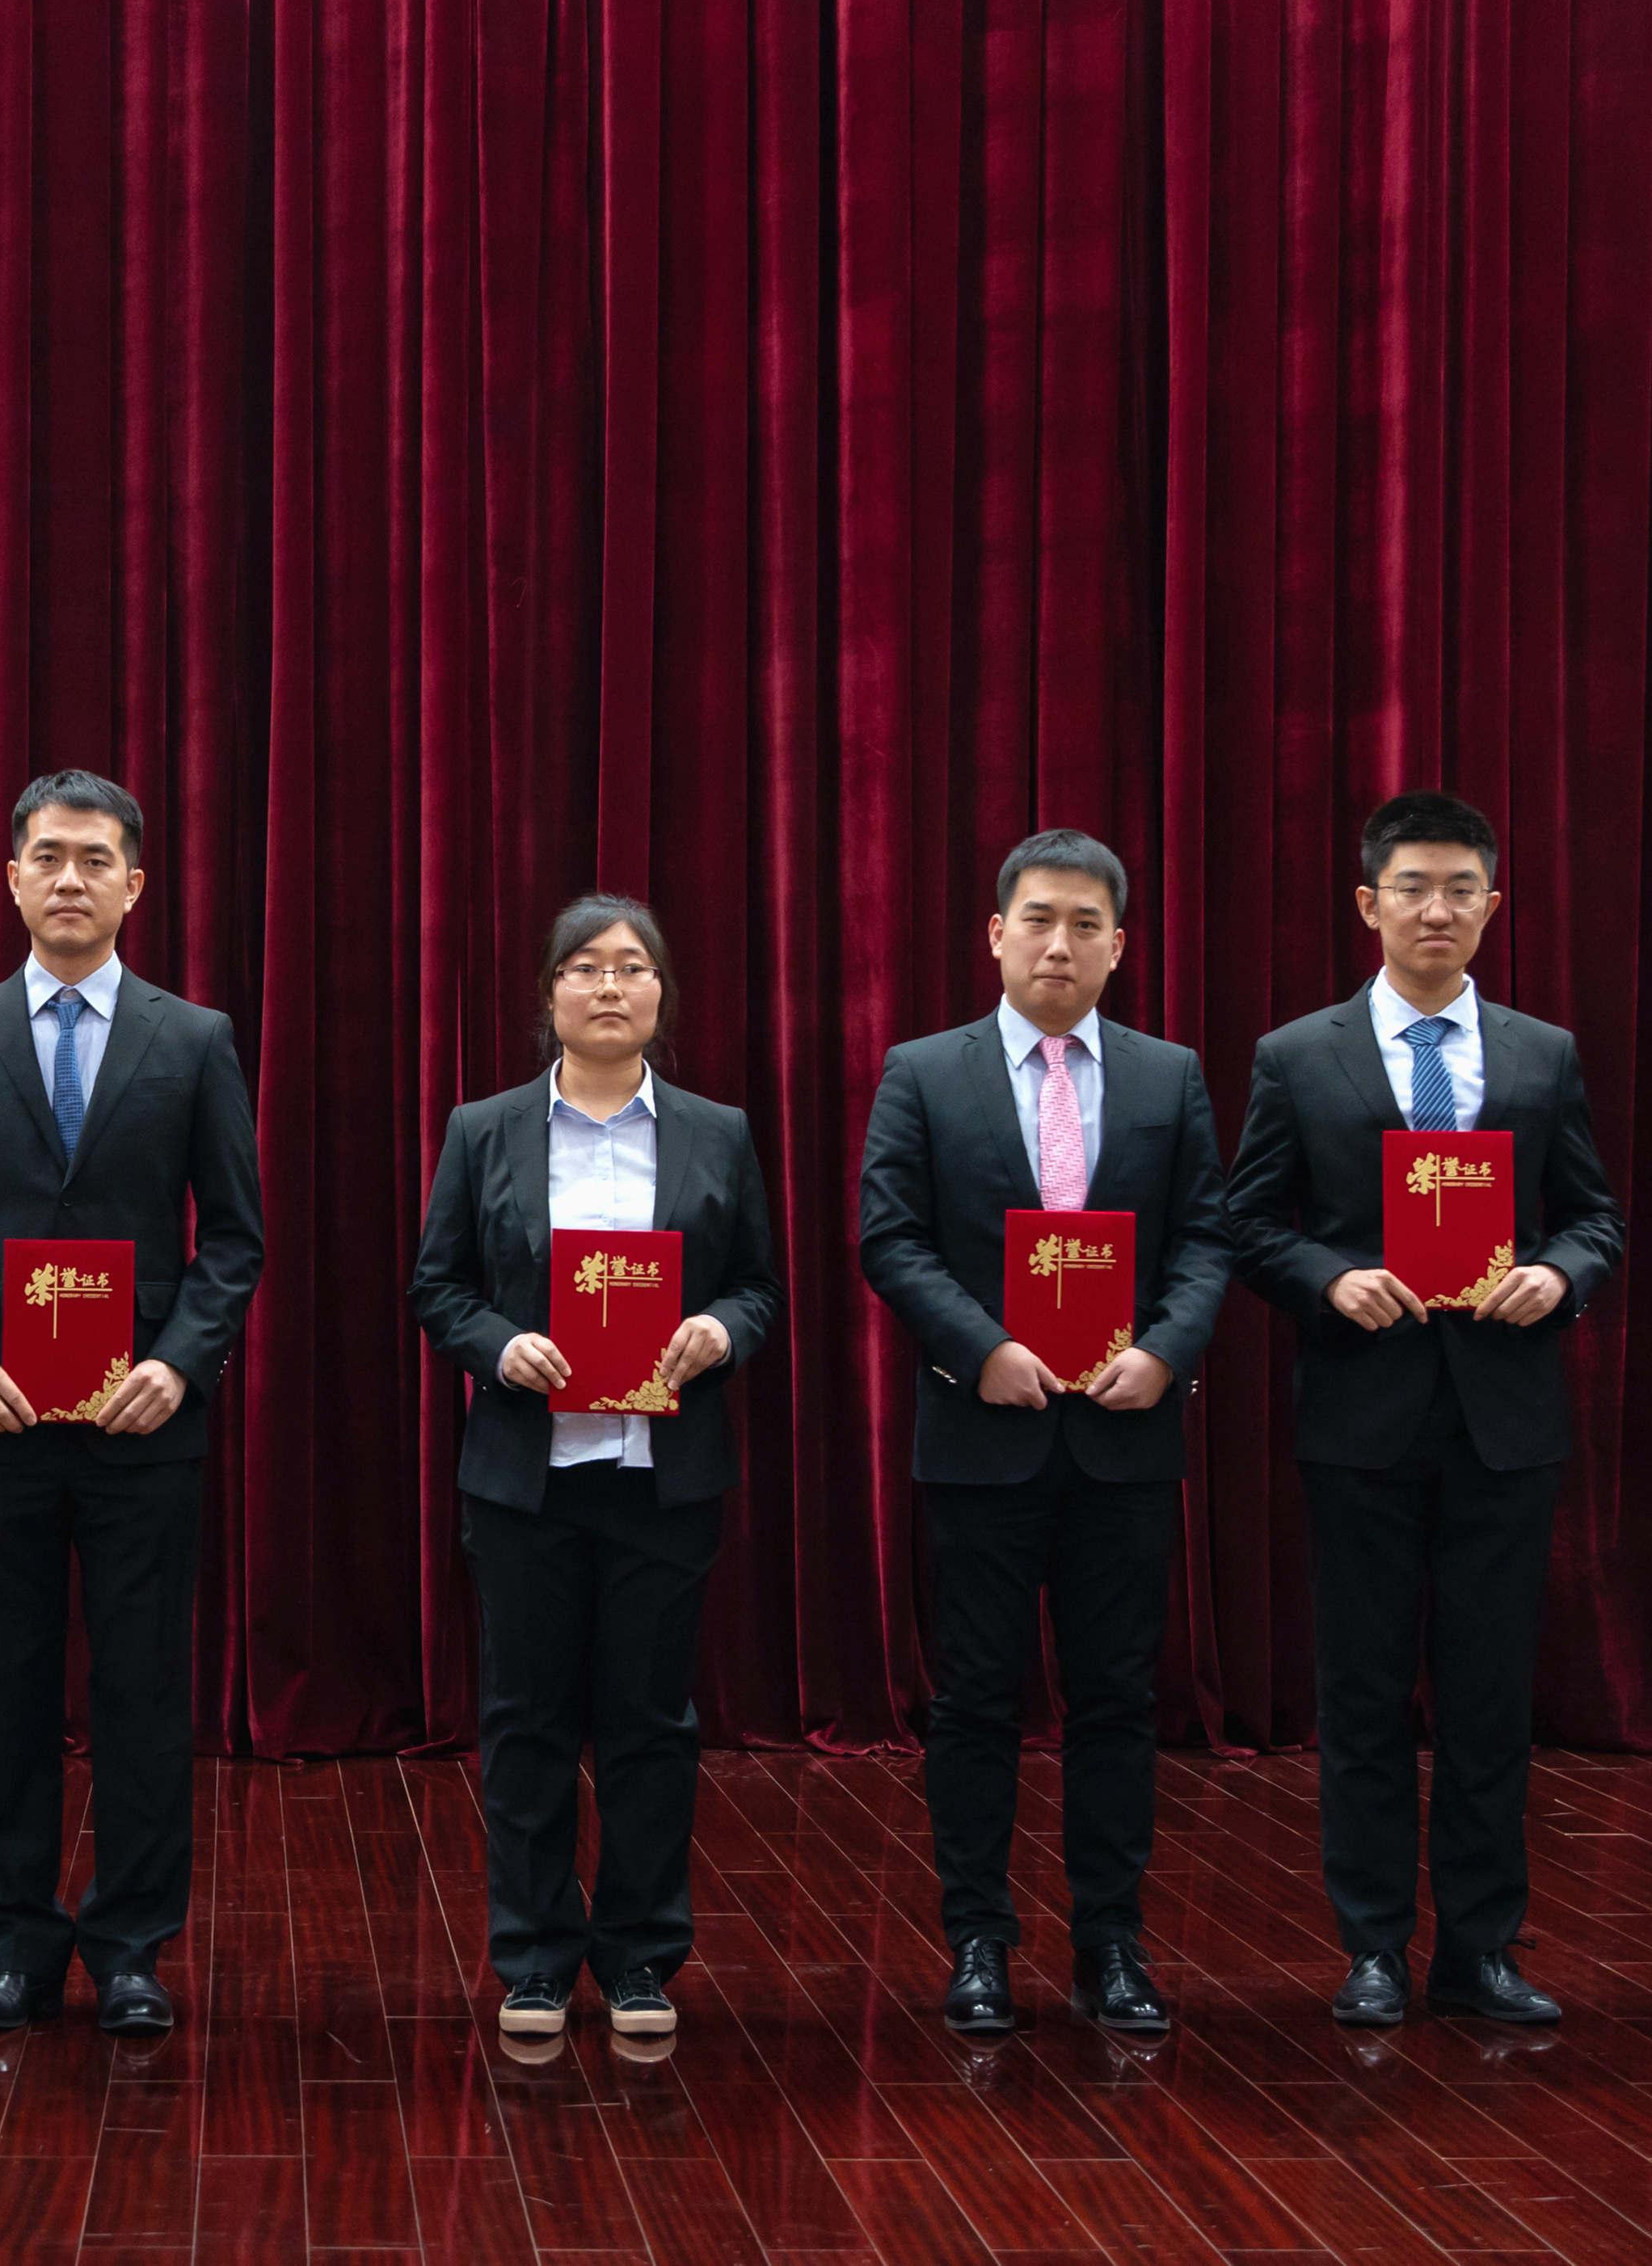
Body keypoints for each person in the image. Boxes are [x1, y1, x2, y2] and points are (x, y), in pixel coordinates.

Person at [1228, 791, 1623, 2026]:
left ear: (1492, 905)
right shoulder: (1299, 1055)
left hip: (1504, 1416)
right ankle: (1370, 1947)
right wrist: (1325, 1278)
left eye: (1460, 889)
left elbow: (1594, 1217)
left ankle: (1482, 1948)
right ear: (1369, 904)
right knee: (1361, 1691)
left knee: (1489, 1694)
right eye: (1412, 888)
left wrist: (1559, 1275)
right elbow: (1247, 1221)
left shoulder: (1541, 1053)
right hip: (1361, 1412)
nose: (1436, 909)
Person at [0, 771, 266, 2037]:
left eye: (94, 860)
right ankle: (12, 1949)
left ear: (134, 886)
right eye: (46, 857)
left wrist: (181, 1362)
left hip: (139, 1423)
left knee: (143, 1692)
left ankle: (132, 1949)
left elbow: (234, 1238)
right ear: (9, 880)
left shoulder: (192, 1038)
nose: (68, 879)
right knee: (4, 1690)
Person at [853, 828, 1236, 2038]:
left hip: (1123, 1435)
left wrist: (1165, 1350)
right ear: (995, 934)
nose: (1059, 944)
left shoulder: (1169, 1076)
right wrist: (982, 1348)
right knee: (975, 1697)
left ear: (1120, 945)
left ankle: (1111, 1942)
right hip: (985, 1431)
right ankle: (977, 1938)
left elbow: (1207, 1236)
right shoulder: (925, 1071)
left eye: (1085, 924)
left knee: (1116, 1697)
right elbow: (891, 1238)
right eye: (1037, 920)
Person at [406, 896, 784, 2045]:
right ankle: (531, 1961)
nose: (609, 986)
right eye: (584, 967)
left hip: (661, 1479)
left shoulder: (716, 1131)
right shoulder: (485, 1129)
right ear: (549, 994)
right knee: (525, 1724)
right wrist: (497, 1346)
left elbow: (759, 1289)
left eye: (632, 967)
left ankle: (638, 1959)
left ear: (661, 993)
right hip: (528, 1481)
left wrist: (720, 1331)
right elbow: (438, 1288)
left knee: (649, 1726)